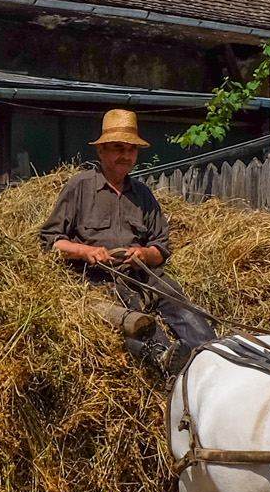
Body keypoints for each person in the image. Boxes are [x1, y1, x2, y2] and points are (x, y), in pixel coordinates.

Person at [40, 109, 217, 370]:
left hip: (143, 275)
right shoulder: (79, 187)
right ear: (101, 152)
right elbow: (50, 242)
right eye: (118, 148)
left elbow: (161, 248)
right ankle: (165, 360)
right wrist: (85, 251)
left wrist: (145, 255)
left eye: (131, 150)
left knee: (182, 306)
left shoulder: (143, 194)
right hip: (97, 277)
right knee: (134, 314)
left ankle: (212, 357)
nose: (126, 156)